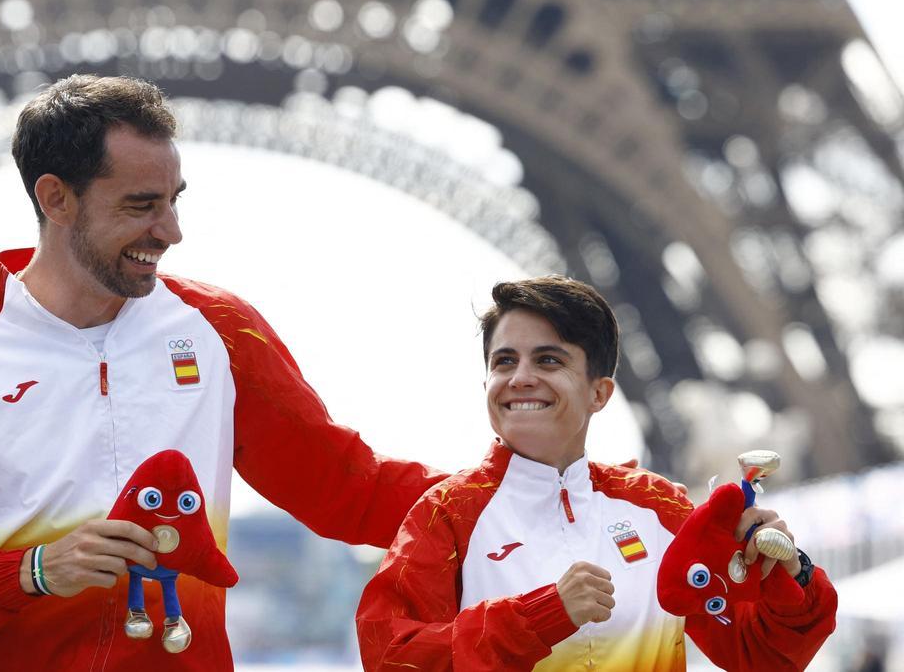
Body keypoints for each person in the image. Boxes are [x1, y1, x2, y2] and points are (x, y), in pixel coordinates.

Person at [0, 74, 445, 670]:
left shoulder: (221, 332)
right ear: (56, 199)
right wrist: (34, 571)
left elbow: (350, 489)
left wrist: (520, 488)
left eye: (173, 200)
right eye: (142, 206)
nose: (171, 231)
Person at [355, 276, 838, 671]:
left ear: (600, 393)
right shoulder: (447, 512)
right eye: (504, 361)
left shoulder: (660, 507)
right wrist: (540, 616)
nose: (520, 376)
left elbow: (762, 655)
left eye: (548, 359)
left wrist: (792, 576)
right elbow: (391, 658)